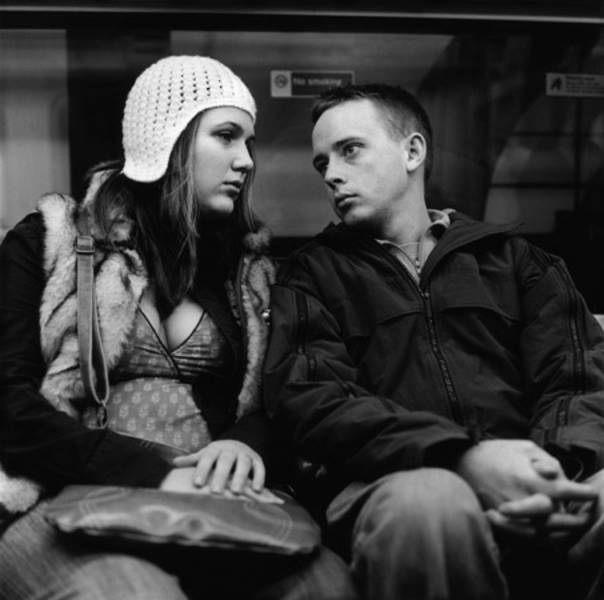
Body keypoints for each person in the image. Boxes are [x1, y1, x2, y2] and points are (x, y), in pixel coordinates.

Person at [0, 55, 357, 600]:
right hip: (58, 491)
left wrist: (244, 445)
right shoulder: (53, 241)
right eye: (226, 136)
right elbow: (8, 402)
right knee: (132, 591)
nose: (246, 161)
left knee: (324, 586)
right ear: (167, 138)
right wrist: (152, 470)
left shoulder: (249, 273)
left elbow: (280, 399)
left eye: (250, 143)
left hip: (211, 502)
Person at [263, 83, 604, 600]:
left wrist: (551, 471)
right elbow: (315, 403)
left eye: (350, 150)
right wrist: (459, 458)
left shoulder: (515, 261)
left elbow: (577, 378)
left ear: (413, 152)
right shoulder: (311, 276)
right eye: (321, 163)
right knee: (431, 502)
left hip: (532, 473)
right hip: (394, 480)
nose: (331, 174)